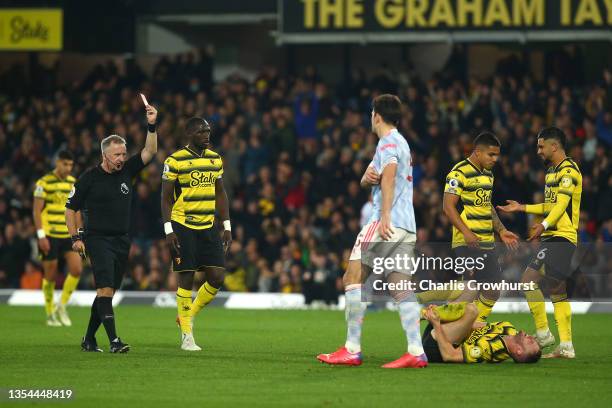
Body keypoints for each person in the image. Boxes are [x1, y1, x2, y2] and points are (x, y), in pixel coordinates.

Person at [317, 94, 426, 368]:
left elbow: (388, 175)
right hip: (407, 225)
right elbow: (377, 175)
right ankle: (415, 350)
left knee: (352, 276)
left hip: (384, 222)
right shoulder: (401, 142)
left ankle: (352, 348)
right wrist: (366, 179)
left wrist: (385, 215)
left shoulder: (387, 142)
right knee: (401, 286)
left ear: (376, 115)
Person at [65, 101, 158, 353]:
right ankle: (115, 341)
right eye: (117, 155)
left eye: (123, 154)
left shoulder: (127, 171)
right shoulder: (89, 178)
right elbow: (70, 208)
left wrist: (151, 124)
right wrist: (75, 237)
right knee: (104, 289)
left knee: (107, 292)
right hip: (97, 239)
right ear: (104, 155)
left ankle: (88, 339)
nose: (121, 158)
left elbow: (150, 152)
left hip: (121, 240)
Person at [497, 127, 582, 359]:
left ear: (554, 146)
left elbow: (562, 205)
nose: (538, 151)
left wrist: (543, 225)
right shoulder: (552, 173)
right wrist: (521, 207)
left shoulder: (569, 171)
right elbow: (549, 206)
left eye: (541, 146)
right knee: (556, 289)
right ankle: (565, 345)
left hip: (562, 236)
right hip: (552, 236)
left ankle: (545, 334)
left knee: (529, 281)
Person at [161, 117, 231, 351]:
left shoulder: (215, 159)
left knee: (217, 277)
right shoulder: (174, 161)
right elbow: (165, 198)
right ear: (190, 133)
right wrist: (169, 229)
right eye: (202, 131)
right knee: (187, 278)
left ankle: (187, 315)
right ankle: (187, 336)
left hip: (208, 225)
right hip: (183, 224)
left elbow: (220, 193)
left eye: (208, 131)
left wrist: (227, 225)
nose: (207, 135)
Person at [441, 132, 519, 320]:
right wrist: (466, 232)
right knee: (469, 290)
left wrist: (501, 230)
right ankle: (437, 332)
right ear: (477, 152)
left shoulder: (488, 175)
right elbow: (447, 206)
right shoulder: (459, 172)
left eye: (497, 155)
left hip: (486, 241)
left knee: (493, 290)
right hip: (466, 242)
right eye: (491, 155)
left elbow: (487, 205)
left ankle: (471, 329)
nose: (495, 159)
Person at [33, 150, 82, 326]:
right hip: (49, 235)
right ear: (57, 162)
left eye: (71, 165)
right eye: (65, 164)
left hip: (68, 235)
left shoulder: (72, 182)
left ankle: (61, 306)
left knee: (76, 270)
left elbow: (76, 210)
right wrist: (41, 236)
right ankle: (49, 312)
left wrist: (79, 234)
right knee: (50, 274)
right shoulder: (44, 182)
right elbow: (36, 210)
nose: (68, 168)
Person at [421, 303, 541, 364]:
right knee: (468, 292)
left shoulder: (489, 350)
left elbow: (449, 356)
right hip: (439, 333)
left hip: (435, 348)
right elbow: (469, 324)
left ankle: (420, 314)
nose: (530, 336)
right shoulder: (507, 327)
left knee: (472, 311)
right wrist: (444, 315)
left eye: (530, 342)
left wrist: (437, 324)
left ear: (518, 351)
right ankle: (426, 313)